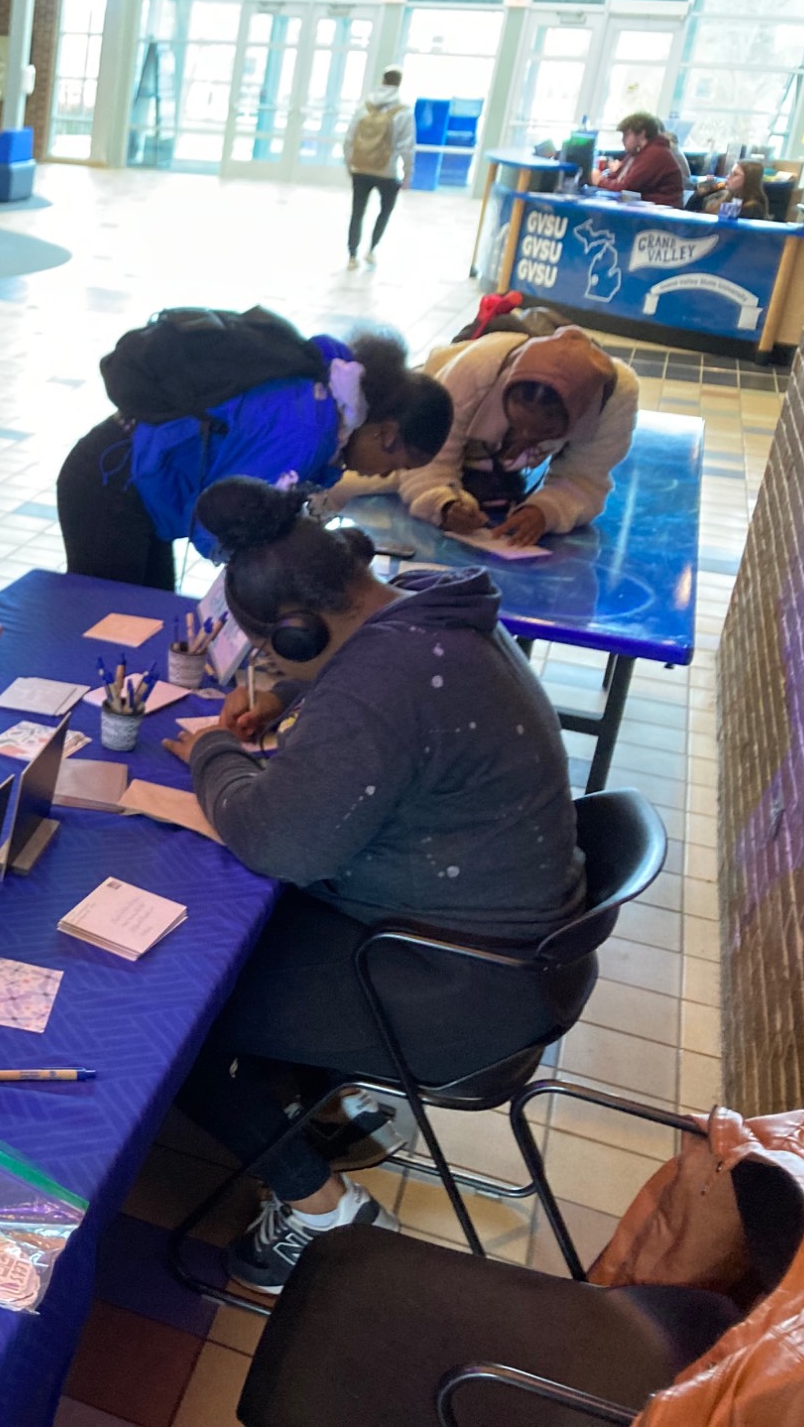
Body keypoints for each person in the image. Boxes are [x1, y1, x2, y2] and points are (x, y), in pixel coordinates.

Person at [164, 478, 584, 1293]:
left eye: (265, 653)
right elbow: (362, 691)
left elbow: (275, 839)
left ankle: (322, 1212)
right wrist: (290, 690)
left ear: (297, 627)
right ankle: (308, 1107)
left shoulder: (382, 687)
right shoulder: (423, 605)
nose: (257, 669)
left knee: (181, 1013)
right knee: (242, 954)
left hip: (460, 984)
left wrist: (213, 751)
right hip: (506, 938)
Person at [58, 321, 454, 589]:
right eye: (396, 466)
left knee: (148, 616)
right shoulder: (310, 432)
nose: (382, 476)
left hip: (135, 481)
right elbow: (220, 524)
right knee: (107, 624)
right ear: (386, 434)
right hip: (111, 486)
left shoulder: (328, 398)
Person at [401, 326, 638, 547]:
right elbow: (424, 460)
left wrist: (546, 512)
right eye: (516, 424)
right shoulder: (473, 371)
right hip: (436, 408)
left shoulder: (615, 399)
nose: (525, 437)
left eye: (544, 432)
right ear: (505, 398)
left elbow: (585, 480)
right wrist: (443, 504)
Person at [343, 68, 415, 268]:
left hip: (361, 168)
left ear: (382, 80)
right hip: (387, 172)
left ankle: (351, 255)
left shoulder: (364, 107)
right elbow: (407, 146)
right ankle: (371, 250)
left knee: (357, 212)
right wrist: (408, 173)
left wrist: (349, 164)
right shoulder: (403, 111)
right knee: (384, 211)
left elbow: (349, 138)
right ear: (399, 83)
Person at [593, 112, 685, 207]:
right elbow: (617, 178)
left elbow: (626, 187)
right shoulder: (637, 153)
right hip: (644, 209)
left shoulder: (655, 154)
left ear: (641, 133)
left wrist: (599, 181)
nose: (623, 140)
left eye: (627, 135)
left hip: (660, 214)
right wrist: (601, 179)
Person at [688, 158, 769, 220]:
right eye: (730, 173)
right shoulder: (729, 195)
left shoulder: (752, 207)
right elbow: (689, 210)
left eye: (735, 174)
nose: (728, 177)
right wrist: (704, 192)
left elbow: (725, 229)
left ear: (749, 180)